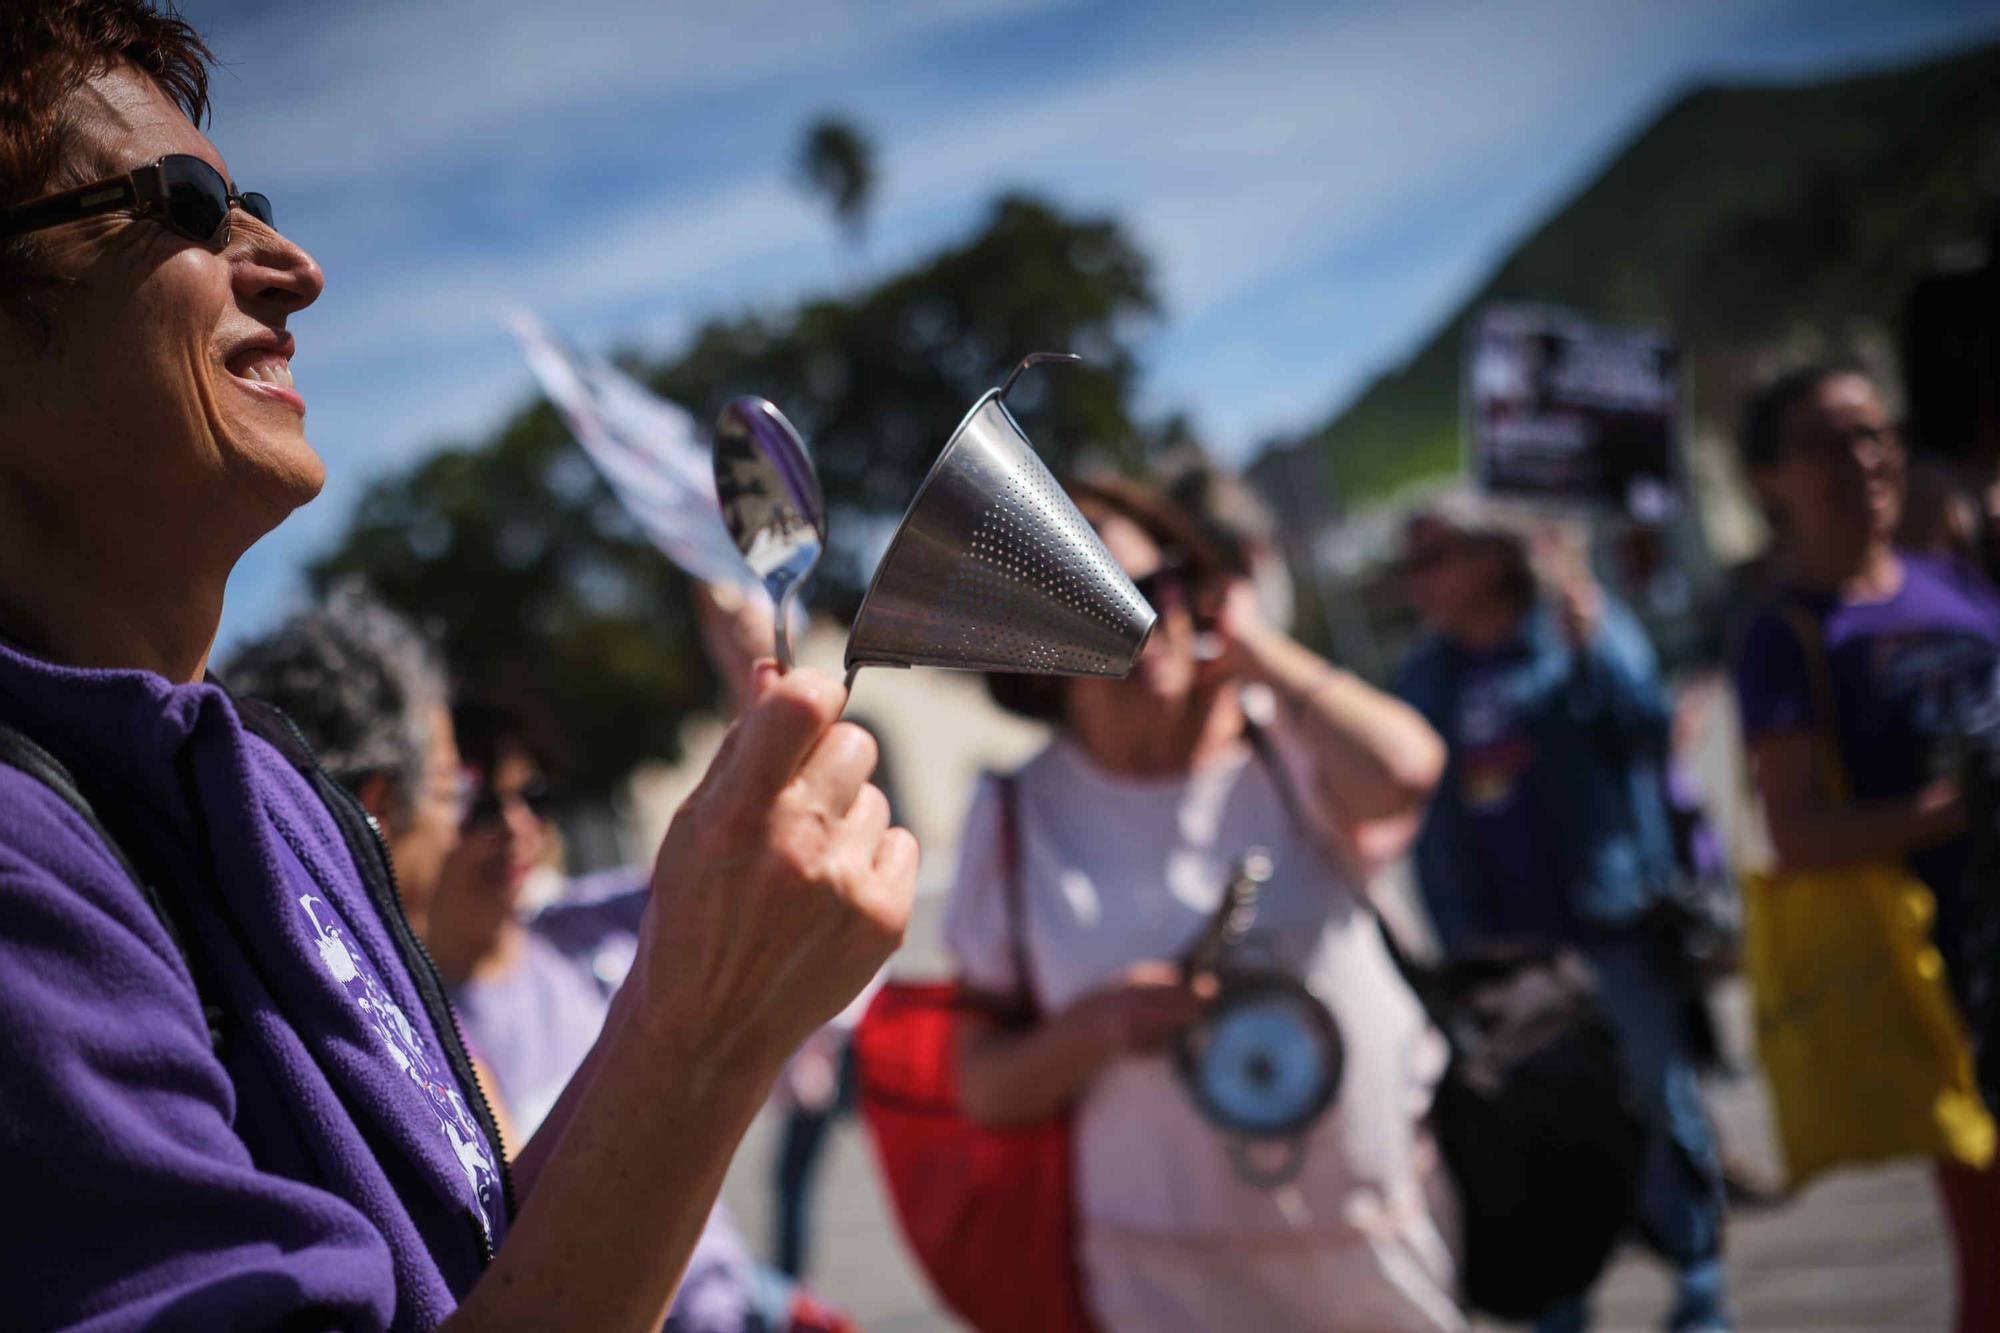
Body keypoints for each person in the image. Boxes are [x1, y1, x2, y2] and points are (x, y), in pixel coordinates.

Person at [0, 5, 915, 1328]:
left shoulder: (265, 780)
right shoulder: (27, 865)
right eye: (192, 207)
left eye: (253, 199)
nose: (295, 267)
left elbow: (476, 1254)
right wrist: (699, 1037)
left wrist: (705, 981)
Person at [946, 477, 1461, 1332]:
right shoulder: (1013, 813)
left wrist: (1256, 646)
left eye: (1153, 590)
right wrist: (1102, 1023)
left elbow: (1405, 772)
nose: (1137, 623)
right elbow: (983, 1086)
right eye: (1088, 601)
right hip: (1167, 1281)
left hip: (1371, 1242)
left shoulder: (1278, 734)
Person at [1392, 502, 1729, 1333]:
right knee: (1534, 1127)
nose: (1417, 580)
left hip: (1608, 926)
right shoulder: (1422, 676)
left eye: (1434, 556)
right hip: (1505, 955)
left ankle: (1699, 1277)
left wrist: (1597, 644)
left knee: (1656, 1102)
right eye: (1412, 564)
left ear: (1491, 554)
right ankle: (1564, 1300)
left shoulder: (1574, 627)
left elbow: (1652, 733)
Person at [1731, 361, 2000, 1333]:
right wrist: (1950, 807)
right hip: (1948, 973)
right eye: (1821, 443)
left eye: (1870, 431)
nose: (1859, 458)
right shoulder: (1783, 634)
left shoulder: (1944, 575)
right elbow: (1794, 833)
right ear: (1766, 480)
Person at [430, 698, 840, 1333]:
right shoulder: (423, 1034)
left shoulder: (588, 930)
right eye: (480, 807)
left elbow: (763, 864)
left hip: (739, 1300)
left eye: (533, 798)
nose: (517, 828)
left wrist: (766, 687)